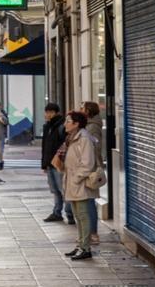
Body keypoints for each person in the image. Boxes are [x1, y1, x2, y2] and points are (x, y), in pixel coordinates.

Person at [62, 111, 98, 260]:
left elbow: (87, 163)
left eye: (68, 121)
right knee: (78, 215)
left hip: (80, 183)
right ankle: (81, 244)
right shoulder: (72, 137)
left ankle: (85, 248)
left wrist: (76, 178)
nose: (65, 124)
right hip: (73, 181)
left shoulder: (84, 138)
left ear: (76, 124)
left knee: (83, 215)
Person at [40, 103, 74, 224]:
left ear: (54, 113)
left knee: (63, 190)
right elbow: (45, 146)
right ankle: (57, 212)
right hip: (50, 163)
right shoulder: (47, 126)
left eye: (48, 112)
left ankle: (70, 214)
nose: (46, 114)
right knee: (55, 190)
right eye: (46, 112)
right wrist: (44, 164)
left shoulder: (61, 126)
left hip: (59, 163)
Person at [81, 101, 104, 245]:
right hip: (88, 167)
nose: (80, 109)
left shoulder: (93, 127)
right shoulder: (88, 126)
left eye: (82, 108)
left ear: (88, 111)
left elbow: (95, 147)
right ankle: (88, 233)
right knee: (86, 201)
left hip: (91, 169)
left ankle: (93, 233)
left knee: (89, 201)